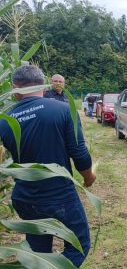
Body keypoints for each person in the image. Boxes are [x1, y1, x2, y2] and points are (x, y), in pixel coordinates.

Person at [0, 65, 96, 267]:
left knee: (38, 252)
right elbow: (78, 152)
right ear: (43, 85)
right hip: (59, 196)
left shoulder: (5, 121)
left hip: (25, 198)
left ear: (15, 88)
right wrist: (88, 177)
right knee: (79, 244)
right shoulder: (63, 110)